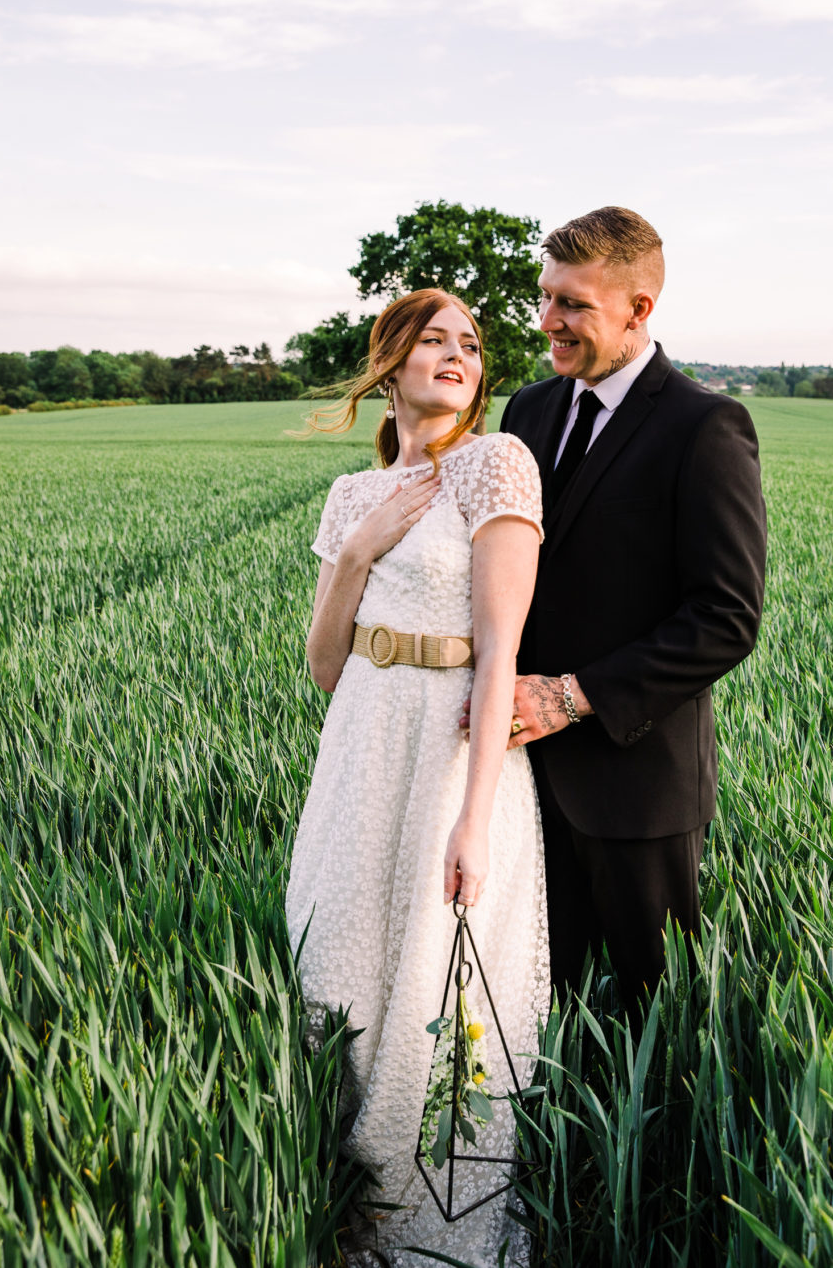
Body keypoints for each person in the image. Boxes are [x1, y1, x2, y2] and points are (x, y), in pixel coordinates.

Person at [285, 289, 550, 1268]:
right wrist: (361, 546)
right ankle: (346, 1203)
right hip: (360, 740)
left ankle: (434, 1227)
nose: (455, 354)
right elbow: (323, 663)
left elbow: (501, 653)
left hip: (452, 749)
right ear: (391, 361)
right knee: (343, 962)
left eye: (471, 344)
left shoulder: (494, 465)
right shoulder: (351, 497)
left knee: (443, 986)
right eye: (432, 339)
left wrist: (475, 819)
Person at [497, 206, 767, 1011]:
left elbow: (725, 615)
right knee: (535, 1004)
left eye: (572, 303)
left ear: (637, 309)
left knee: (660, 1021)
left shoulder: (705, 426)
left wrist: (569, 696)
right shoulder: (529, 410)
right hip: (516, 779)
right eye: (545, 297)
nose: (549, 320)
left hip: (635, 788)